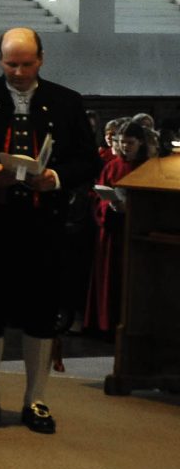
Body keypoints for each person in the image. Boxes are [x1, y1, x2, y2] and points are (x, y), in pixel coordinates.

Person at [0, 28, 98, 433]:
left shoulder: (66, 101)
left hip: (44, 224)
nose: (18, 72)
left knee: (41, 310)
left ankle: (35, 400)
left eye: (27, 63)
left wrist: (53, 176)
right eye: (10, 63)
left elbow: (87, 162)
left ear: (42, 59)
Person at [86, 115, 156, 336]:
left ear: (141, 143)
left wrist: (131, 208)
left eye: (130, 143)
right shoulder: (112, 166)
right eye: (122, 143)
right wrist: (109, 205)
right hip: (112, 231)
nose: (125, 148)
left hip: (136, 232)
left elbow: (154, 202)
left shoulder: (149, 167)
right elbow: (98, 197)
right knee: (110, 279)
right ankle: (106, 325)